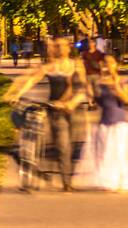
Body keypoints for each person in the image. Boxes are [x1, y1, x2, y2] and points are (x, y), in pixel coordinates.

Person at [5, 37, 89, 191]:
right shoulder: (49, 66)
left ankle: (64, 174)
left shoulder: (76, 65)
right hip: (55, 109)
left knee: (72, 144)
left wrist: (73, 102)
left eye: (63, 46)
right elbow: (32, 80)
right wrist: (18, 94)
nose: (61, 49)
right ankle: (66, 183)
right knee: (62, 145)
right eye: (58, 46)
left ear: (69, 48)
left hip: (73, 108)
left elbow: (81, 86)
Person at [74, 57, 128, 191]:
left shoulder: (125, 81)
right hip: (104, 122)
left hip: (121, 123)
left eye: (111, 63)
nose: (107, 66)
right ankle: (108, 181)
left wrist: (117, 87)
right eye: (105, 63)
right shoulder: (100, 84)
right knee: (105, 153)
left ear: (117, 65)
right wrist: (90, 93)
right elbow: (97, 102)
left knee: (120, 153)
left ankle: (121, 182)